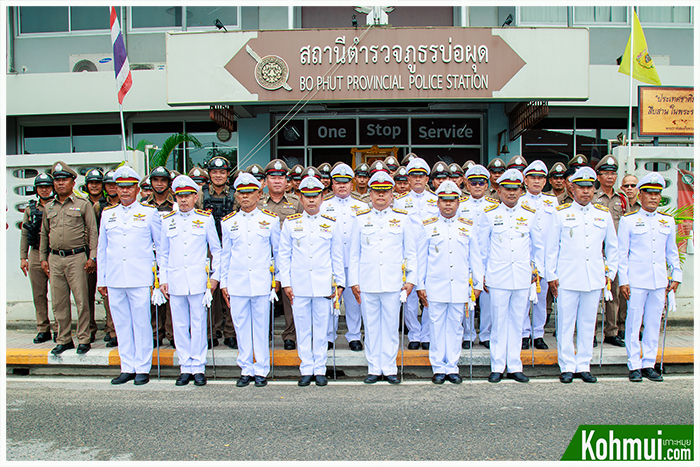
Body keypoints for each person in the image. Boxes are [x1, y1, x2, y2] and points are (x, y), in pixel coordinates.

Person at [546, 166, 618, 384]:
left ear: (594, 190)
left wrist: (610, 273)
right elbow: (551, 248)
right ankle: (567, 365)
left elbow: (613, 247)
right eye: (581, 187)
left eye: (589, 187)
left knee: (588, 324)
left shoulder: (602, 215)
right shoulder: (561, 214)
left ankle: (584, 365)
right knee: (566, 324)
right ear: (572, 188)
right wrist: (551, 275)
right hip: (567, 277)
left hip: (594, 277)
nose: (586, 191)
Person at [348, 171, 417, 384]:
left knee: (389, 327)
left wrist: (411, 280)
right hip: (367, 282)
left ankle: (389, 368)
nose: (380, 196)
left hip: (393, 282)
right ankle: (374, 368)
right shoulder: (360, 219)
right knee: (371, 326)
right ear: (370, 194)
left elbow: (411, 252)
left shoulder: (403, 218)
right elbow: (354, 254)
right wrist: (354, 281)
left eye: (385, 192)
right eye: (377, 192)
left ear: (391, 194)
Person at [97, 166, 162, 385]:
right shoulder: (108, 214)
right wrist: (102, 279)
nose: (125, 192)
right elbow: (102, 249)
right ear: (116, 189)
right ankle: (127, 367)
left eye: (129, 187)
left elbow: (160, 248)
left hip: (140, 278)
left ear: (137, 189)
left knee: (142, 324)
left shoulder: (149, 213)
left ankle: (142, 367)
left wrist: (159, 280)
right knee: (121, 324)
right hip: (115, 278)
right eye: (121, 187)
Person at [278, 176, 345, 387]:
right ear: (300, 197)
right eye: (306, 197)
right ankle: (306, 368)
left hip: (323, 284)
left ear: (322, 196)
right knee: (303, 328)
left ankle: (320, 368)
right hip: (298, 286)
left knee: (322, 328)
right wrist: (286, 283)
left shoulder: (331, 224)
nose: (311, 201)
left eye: (315, 196)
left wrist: (340, 284)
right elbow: (284, 256)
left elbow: (337, 256)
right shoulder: (291, 224)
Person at [479, 168, 544, 383]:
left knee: (518, 322)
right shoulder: (489, 215)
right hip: (497, 278)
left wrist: (537, 270)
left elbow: (537, 246)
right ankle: (497, 366)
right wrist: (483, 276)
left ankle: (515, 365)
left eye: (516, 189)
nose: (512, 193)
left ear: (521, 190)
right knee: (498, 324)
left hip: (523, 277)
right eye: (507, 189)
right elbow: (482, 249)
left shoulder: (530, 215)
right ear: (499, 190)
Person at [416, 180, 483, 384]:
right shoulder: (428, 227)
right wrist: (420, 285)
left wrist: (478, 284)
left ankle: (452, 367)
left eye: (452, 201)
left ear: (458, 203)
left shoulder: (467, 227)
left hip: (460, 286)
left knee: (456, 328)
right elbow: (421, 259)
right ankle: (438, 368)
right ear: (437, 203)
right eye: (444, 201)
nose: (448, 205)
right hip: (435, 287)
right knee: (436, 328)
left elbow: (476, 257)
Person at [618, 173, 682, 382]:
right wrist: (624, 280)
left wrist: (676, 275)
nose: (653, 198)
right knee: (634, 322)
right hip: (636, 280)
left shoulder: (667, 221)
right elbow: (622, 254)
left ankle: (649, 364)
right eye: (649, 193)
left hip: (659, 280)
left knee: (653, 323)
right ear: (640, 195)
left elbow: (672, 252)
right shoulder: (629, 221)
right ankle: (634, 364)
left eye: (657, 194)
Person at [159, 175, 221, 387]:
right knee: (180, 325)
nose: (184, 200)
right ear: (175, 197)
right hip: (175, 281)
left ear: (195, 197)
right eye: (180, 196)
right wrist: (163, 279)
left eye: (187, 196)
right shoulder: (167, 221)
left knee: (198, 324)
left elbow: (216, 250)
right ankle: (185, 366)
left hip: (198, 282)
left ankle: (199, 366)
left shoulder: (205, 219)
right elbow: (163, 253)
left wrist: (214, 277)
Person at [221, 172, 281, 387]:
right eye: (241, 193)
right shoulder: (229, 222)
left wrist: (278, 280)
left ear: (259, 194)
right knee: (241, 326)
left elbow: (278, 252)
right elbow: (225, 255)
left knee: (260, 326)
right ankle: (246, 368)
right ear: (236, 196)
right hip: (237, 283)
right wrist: (223, 282)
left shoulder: (270, 221)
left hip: (261, 282)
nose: (245, 197)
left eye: (250, 192)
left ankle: (261, 370)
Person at [39, 161, 98, 356]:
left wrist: (92, 257)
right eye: (57, 180)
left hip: (77, 257)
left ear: (73, 182)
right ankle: (63, 339)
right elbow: (44, 234)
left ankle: (83, 338)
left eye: (64, 180)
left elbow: (92, 232)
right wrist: (43, 257)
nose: (60, 184)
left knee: (81, 300)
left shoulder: (83, 204)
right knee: (58, 302)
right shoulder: (49, 207)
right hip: (55, 258)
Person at [321, 163, 368, 351]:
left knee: (354, 300)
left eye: (346, 182)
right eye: (338, 182)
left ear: (352, 183)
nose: (342, 186)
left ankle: (354, 335)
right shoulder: (323, 206)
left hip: (355, 262)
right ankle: (329, 336)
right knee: (332, 300)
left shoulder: (362, 206)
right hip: (330, 263)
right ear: (332, 184)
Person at [393, 157, 438, 350]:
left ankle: (427, 334)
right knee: (409, 296)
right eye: (413, 176)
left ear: (427, 178)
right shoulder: (400, 202)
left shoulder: (437, 200)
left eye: (421, 176)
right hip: (408, 254)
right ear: (408, 179)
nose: (417, 179)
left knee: (430, 295)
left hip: (432, 254)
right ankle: (414, 334)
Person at [258, 159, 303, 351]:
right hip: (262, 257)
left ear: (288, 182)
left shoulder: (296, 203)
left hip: (289, 257)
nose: (277, 181)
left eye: (281, 177)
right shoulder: (258, 203)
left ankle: (290, 335)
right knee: (260, 296)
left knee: (289, 297)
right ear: (265, 181)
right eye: (272, 177)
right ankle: (263, 333)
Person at [196, 156, 238, 349]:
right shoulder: (200, 194)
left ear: (227, 174)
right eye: (214, 172)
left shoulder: (235, 194)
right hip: (208, 249)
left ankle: (230, 332)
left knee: (230, 290)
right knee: (210, 290)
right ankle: (211, 331)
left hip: (229, 247)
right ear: (209, 174)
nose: (218, 175)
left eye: (222, 172)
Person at [519, 160, 559, 350]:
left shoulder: (552, 202)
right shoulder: (519, 201)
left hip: (546, 257)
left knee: (542, 299)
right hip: (525, 256)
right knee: (524, 299)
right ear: (525, 180)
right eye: (533, 177)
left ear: (545, 182)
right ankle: (524, 333)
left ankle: (538, 333)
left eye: (540, 178)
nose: (536, 181)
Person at [458, 165, 498, 349]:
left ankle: (486, 334)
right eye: (473, 182)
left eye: (481, 182)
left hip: (489, 260)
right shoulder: (460, 205)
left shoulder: (494, 206)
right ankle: (467, 334)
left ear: (487, 184)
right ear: (466, 183)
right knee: (467, 299)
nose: (477, 186)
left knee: (488, 301)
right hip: (466, 260)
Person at [594, 155, 628, 347]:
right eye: (606, 173)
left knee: (613, 292)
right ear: (599, 177)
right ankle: (591, 333)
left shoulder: (621, 199)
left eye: (613, 173)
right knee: (593, 294)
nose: (609, 177)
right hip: (596, 251)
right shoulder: (593, 197)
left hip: (614, 251)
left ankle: (611, 331)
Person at [21, 173, 56, 344]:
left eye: (47, 186)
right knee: (39, 294)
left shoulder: (56, 206)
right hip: (35, 253)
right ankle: (43, 328)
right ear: (36, 189)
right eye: (41, 187)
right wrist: (23, 257)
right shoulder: (31, 209)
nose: (44, 189)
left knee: (58, 293)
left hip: (53, 252)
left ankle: (59, 328)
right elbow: (25, 233)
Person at [146, 166, 177, 349]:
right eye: (156, 180)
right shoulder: (144, 205)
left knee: (170, 295)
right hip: (149, 255)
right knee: (154, 296)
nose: (159, 183)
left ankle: (172, 333)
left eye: (163, 180)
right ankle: (155, 333)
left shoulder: (175, 204)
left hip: (170, 255)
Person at [84, 168, 106, 342]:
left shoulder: (108, 204)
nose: (94, 186)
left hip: (106, 254)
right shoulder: (82, 204)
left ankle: (110, 328)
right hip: (88, 254)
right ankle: (89, 328)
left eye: (97, 183)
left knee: (108, 294)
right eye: (91, 183)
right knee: (86, 293)